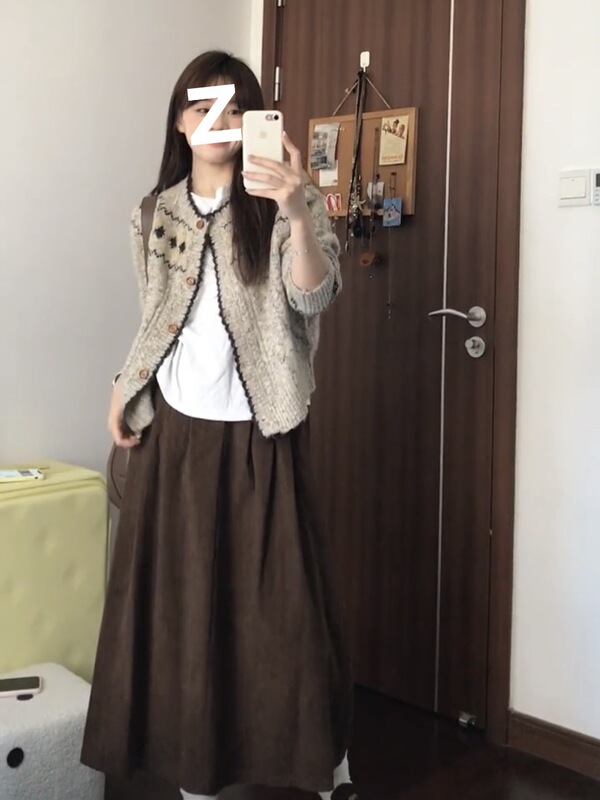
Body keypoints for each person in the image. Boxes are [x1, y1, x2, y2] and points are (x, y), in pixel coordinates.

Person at [80, 50, 355, 800]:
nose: (220, 122)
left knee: (286, 616)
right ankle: (196, 778)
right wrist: (122, 385)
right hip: (175, 437)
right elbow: (156, 318)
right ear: (180, 120)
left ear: (255, 120)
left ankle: (328, 770)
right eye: (204, 107)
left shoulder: (285, 201)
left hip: (262, 433)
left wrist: (297, 210)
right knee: (183, 615)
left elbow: (313, 297)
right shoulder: (152, 214)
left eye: (236, 109)